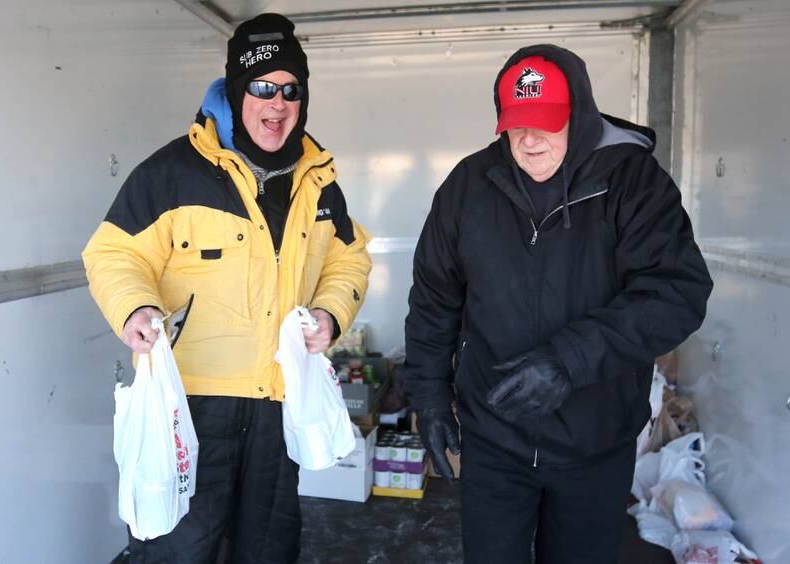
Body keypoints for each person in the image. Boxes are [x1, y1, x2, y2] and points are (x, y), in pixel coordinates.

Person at [404, 44, 712, 563]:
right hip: (494, 440)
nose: (529, 140)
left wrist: (569, 359)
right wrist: (429, 398)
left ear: (580, 113)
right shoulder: (466, 186)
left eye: (546, 121)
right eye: (516, 123)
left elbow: (676, 292)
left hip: (596, 443)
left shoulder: (633, 182)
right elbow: (434, 300)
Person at [82, 13, 371, 563]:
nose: (277, 103)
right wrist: (136, 307)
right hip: (189, 409)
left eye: (291, 90)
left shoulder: (319, 179)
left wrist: (332, 313)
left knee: (267, 551)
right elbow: (113, 252)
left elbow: (348, 258)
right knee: (177, 550)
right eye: (263, 88)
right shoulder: (172, 172)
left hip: (276, 406)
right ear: (238, 92)